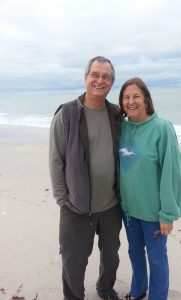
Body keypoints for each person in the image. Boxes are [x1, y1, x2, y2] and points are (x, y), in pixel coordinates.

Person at [49, 56, 122, 300]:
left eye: (106, 77)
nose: (100, 81)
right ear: (86, 78)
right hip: (76, 206)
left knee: (111, 255)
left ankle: (105, 288)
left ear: (112, 82)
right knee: (73, 260)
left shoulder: (116, 114)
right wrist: (63, 200)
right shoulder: (67, 114)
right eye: (96, 75)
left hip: (111, 205)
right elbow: (56, 159)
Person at [118, 77, 181, 300]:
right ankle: (138, 290)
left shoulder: (162, 128)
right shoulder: (123, 129)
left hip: (154, 214)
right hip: (129, 210)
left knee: (156, 259)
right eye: (126, 97)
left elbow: (171, 173)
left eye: (136, 96)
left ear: (146, 99)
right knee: (134, 252)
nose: (131, 101)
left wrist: (168, 213)